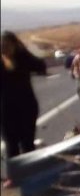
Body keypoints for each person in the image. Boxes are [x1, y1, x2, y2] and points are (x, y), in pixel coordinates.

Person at [0, 31, 47, 188]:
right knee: (12, 144)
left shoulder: (22, 57)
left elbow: (41, 66)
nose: (5, 48)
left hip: (25, 106)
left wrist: (23, 52)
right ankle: (15, 176)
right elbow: (41, 66)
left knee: (26, 143)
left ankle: (29, 173)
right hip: (7, 109)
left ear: (14, 44)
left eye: (7, 44)